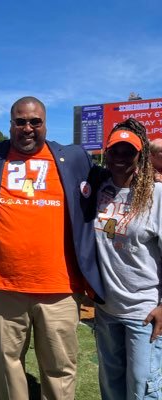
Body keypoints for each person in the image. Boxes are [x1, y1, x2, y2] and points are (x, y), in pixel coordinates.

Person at [0, 96, 104, 400]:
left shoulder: (74, 158)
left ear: (44, 123)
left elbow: (113, 178)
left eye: (35, 121)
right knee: (7, 366)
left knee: (59, 370)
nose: (27, 128)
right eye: (20, 121)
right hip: (3, 288)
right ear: (10, 124)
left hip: (59, 289)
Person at [94, 119, 162, 399]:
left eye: (128, 152)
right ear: (106, 153)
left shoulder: (157, 195)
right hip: (106, 309)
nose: (120, 158)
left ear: (141, 155)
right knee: (111, 386)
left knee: (142, 388)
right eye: (115, 151)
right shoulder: (99, 189)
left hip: (144, 312)